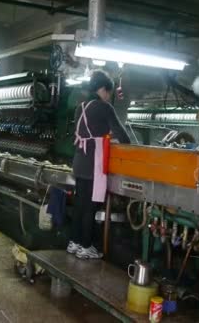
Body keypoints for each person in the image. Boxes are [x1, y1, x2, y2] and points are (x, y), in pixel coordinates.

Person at [69, 70, 130, 259]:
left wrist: (104, 139)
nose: (108, 96)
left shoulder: (81, 107)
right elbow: (121, 134)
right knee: (91, 207)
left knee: (79, 204)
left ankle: (74, 242)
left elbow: (86, 134)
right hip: (93, 164)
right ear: (103, 89)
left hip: (79, 163)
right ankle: (86, 247)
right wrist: (126, 145)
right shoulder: (104, 108)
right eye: (108, 93)